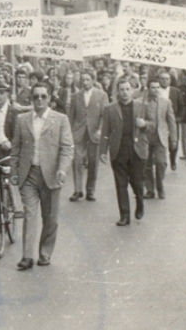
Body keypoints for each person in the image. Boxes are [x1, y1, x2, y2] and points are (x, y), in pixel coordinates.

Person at [10, 81, 74, 270]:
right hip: (28, 174)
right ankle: (27, 256)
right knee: (29, 214)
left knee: (50, 218)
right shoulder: (22, 120)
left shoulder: (60, 119)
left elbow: (66, 148)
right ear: (31, 98)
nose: (39, 100)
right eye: (35, 96)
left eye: (43, 96)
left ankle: (45, 253)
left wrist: (62, 169)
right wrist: (14, 170)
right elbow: (16, 147)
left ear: (49, 98)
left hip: (51, 174)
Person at [99, 77, 153, 226]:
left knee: (137, 182)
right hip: (119, 151)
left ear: (132, 90)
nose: (125, 92)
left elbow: (153, 125)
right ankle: (124, 215)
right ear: (117, 92)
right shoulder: (110, 109)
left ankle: (140, 201)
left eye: (127, 89)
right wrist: (103, 151)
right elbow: (105, 131)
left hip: (137, 151)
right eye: (122, 89)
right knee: (121, 184)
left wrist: (144, 124)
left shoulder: (142, 106)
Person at [67, 70, 109, 202]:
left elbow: (105, 115)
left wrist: (100, 130)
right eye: (83, 80)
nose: (85, 82)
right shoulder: (75, 96)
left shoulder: (101, 95)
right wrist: (70, 132)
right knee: (77, 160)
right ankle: (78, 190)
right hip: (78, 132)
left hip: (94, 132)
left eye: (88, 80)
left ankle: (90, 190)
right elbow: (71, 116)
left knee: (93, 162)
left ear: (93, 80)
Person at [143, 78, 177, 200]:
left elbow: (172, 122)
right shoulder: (141, 102)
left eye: (158, 87)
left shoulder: (166, 102)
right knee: (146, 165)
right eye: (153, 87)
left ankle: (160, 186)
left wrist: (173, 139)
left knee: (161, 163)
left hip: (160, 138)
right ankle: (150, 190)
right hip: (146, 138)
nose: (156, 90)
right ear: (148, 89)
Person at [157, 71, 183, 172]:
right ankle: (162, 162)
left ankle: (173, 160)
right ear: (159, 80)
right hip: (160, 120)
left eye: (167, 79)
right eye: (162, 78)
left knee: (173, 141)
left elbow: (181, 106)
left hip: (172, 120)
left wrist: (179, 118)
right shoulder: (156, 90)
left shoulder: (175, 91)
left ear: (170, 80)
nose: (164, 81)